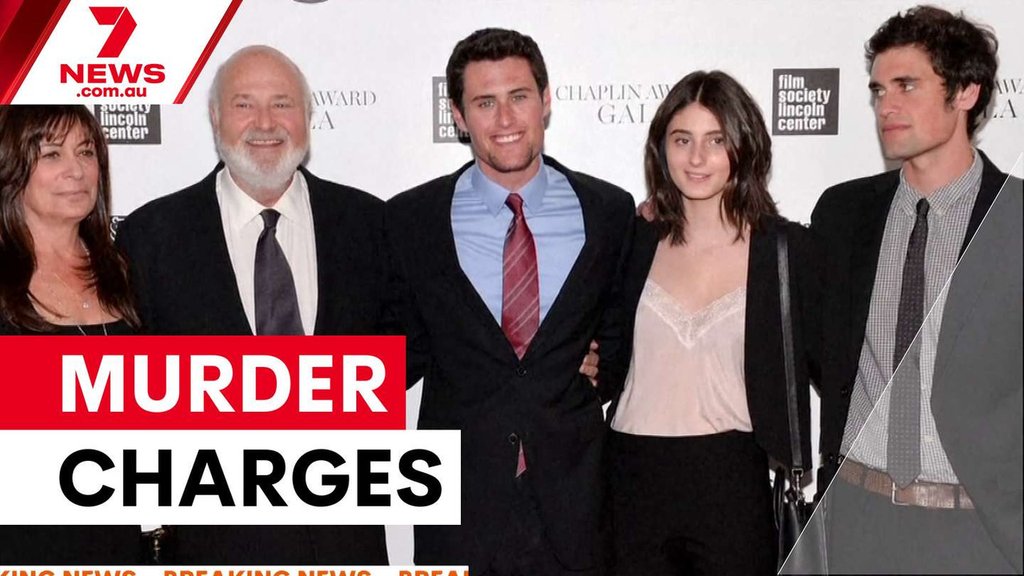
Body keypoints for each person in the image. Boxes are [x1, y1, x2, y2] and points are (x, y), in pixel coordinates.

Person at [115, 46, 388, 564]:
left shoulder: (369, 225)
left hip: (345, 541)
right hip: (211, 545)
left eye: (282, 104)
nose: (265, 123)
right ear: (215, 118)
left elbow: (409, 350)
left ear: (308, 117)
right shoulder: (151, 237)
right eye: (244, 105)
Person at [386, 28, 634, 575]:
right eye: (484, 102)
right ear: (458, 116)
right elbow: (396, 350)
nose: (505, 119)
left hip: (577, 507)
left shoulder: (610, 212)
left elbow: (623, 339)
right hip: (458, 510)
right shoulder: (411, 220)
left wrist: (598, 369)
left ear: (546, 101)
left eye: (519, 96)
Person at [811, 5, 1021, 573]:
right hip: (856, 519)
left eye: (907, 86)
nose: (887, 106)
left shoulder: (1016, 219)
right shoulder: (843, 214)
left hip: (979, 531)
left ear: (966, 92)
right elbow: (812, 343)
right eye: (879, 90)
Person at [603, 71, 819, 576]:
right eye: (682, 140)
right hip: (629, 478)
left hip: (731, 482)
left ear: (743, 146)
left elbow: (833, 365)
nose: (697, 158)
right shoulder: (633, 240)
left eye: (716, 140)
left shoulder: (784, 251)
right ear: (662, 149)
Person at [0, 105, 141, 562]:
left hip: (122, 533)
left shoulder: (129, 270)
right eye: (52, 154)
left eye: (86, 152)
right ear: (12, 168)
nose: (76, 171)